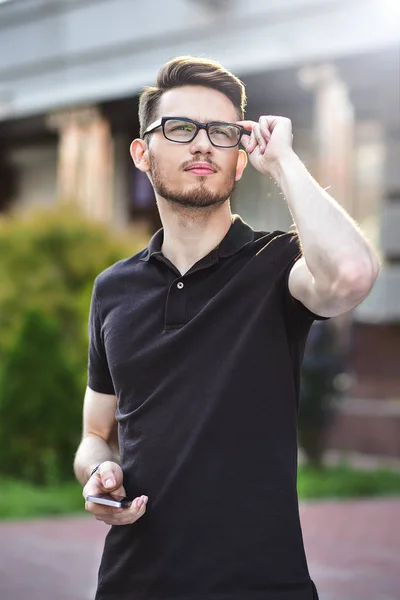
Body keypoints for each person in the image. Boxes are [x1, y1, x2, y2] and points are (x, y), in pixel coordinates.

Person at [73, 56, 379, 600]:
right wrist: (96, 475)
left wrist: (283, 162)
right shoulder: (113, 289)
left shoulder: (279, 265)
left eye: (221, 132)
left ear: (239, 162)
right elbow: (97, 434)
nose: (202, 144)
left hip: (261, 583)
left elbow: (352, 275)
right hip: (132, 583)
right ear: (142, 153)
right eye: (180, 128)